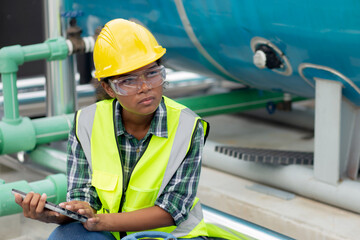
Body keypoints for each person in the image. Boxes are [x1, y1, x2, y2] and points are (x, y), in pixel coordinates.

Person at [14, 18, 210, 240]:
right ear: (108, 88)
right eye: (128, 80)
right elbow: (83, 197)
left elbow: (172, 209)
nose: (145, 87)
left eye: (152, 73)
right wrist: (54, 216)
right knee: (65, 236)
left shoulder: (188, 126)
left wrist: (101, 221)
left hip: (172, 236)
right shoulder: (87, 123)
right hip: (112, 233)